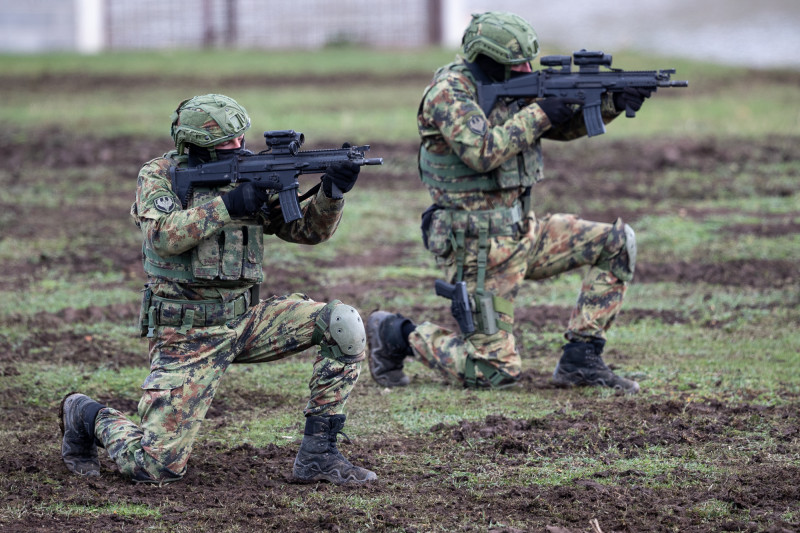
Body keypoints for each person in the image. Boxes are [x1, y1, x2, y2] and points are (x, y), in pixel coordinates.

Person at [59, 93, 377, 485]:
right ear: (194, 144)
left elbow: (305, 231)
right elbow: (161, 236)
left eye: (240, 138)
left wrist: (332, 193)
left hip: (245, 319)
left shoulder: (253, 169)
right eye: (226, 142)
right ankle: (87, 414)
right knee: (155, 467)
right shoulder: (158, 175)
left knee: (342, 323)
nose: (238, 147)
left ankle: (319, 456)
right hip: (187, 333)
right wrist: (228, 206)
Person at [367, 12, 650, 394]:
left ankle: (581, 358)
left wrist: (611, 103)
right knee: (493, 371)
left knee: (617, 243)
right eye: (518, 63)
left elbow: (560, 126)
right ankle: (397, 334)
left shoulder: (512, 84)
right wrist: (541, 110)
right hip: (479, 248)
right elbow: (482, 152)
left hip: (524, 231)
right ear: (488, 58)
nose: (527, 69)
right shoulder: (448, 93)